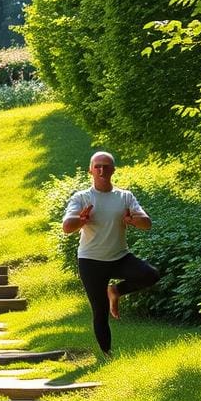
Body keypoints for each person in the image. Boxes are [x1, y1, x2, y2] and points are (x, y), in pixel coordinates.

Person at [62, 151, 159, 355]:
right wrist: (81, 220)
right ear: (90, 170)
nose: (102, 170)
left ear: (113, 170)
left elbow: (147, 223)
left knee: (151, 274)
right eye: (97, 166)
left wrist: (133, 220)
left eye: (106, 166)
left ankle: (115, 291)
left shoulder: (125, 197)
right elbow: (67, 227)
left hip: (119, 257)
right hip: (90, 261)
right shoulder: (82, 198)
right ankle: (107, 354)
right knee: (100, 311)